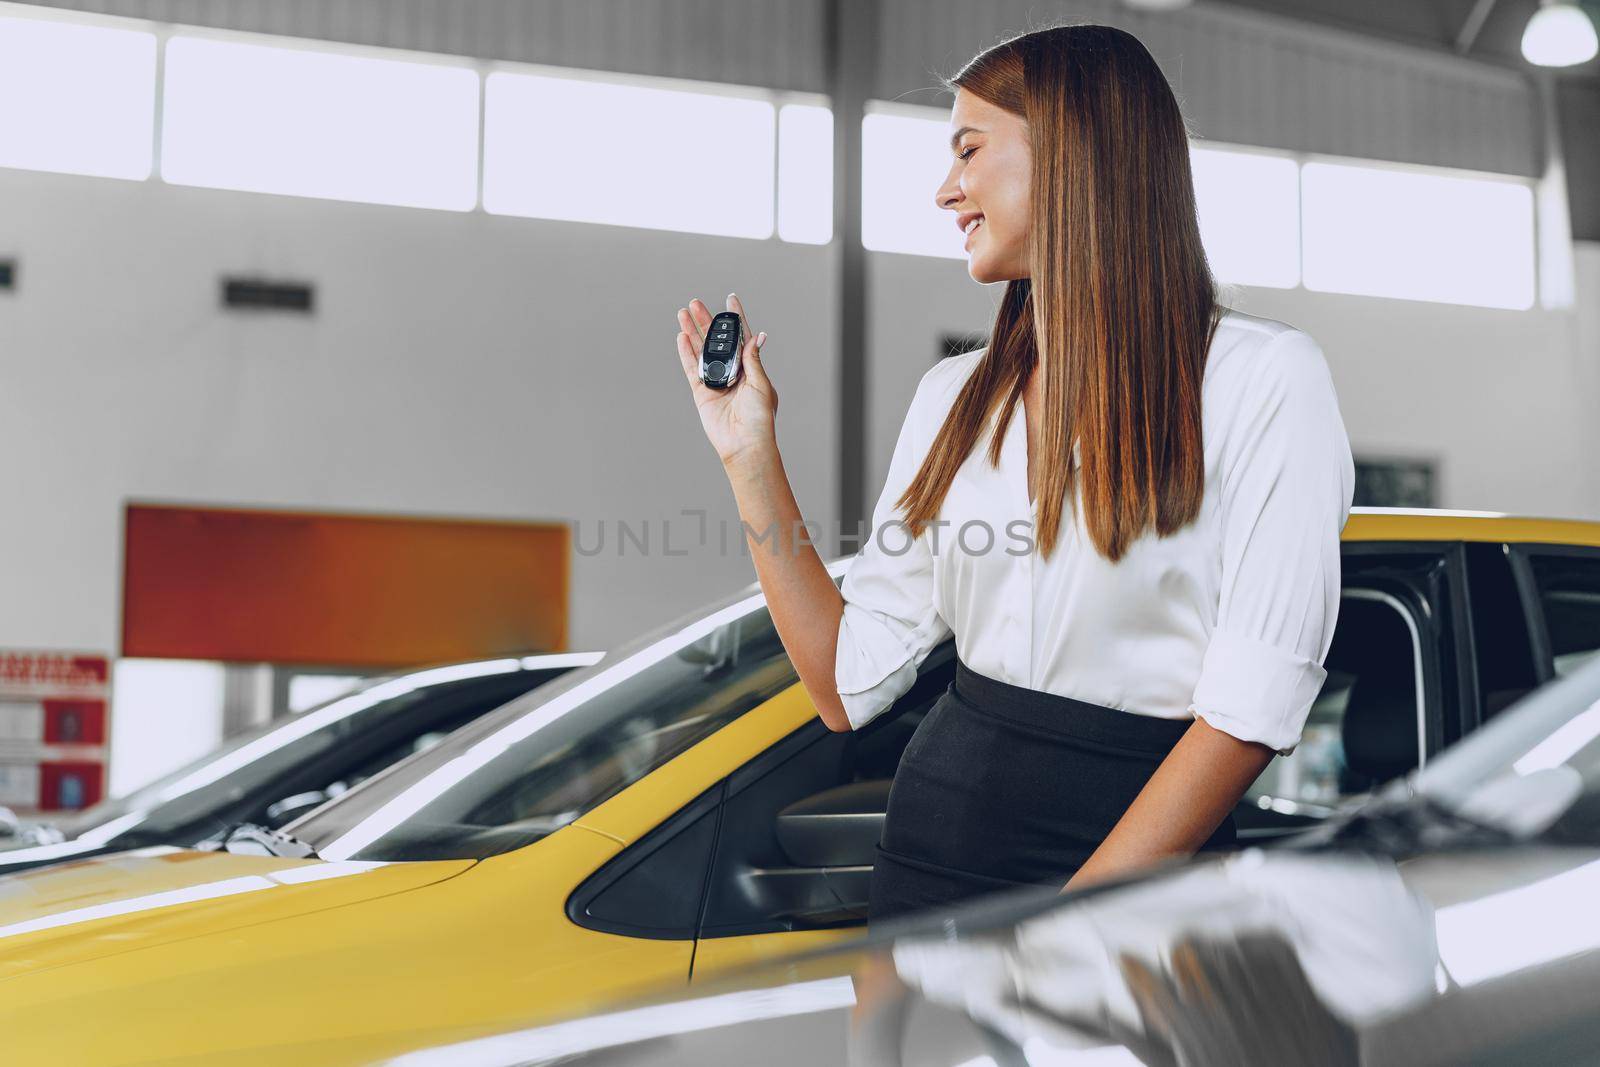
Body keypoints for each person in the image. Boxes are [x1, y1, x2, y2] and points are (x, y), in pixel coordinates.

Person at [672, 23, 1354, 926]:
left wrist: (1064, 937)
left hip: (1141, 879)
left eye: (968, 149)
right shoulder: (953, 395)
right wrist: (748, 454)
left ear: (1076, 152)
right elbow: (845, 684)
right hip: (930, 855)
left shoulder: (1265, 378)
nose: (946, 189)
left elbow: (1247, 716)